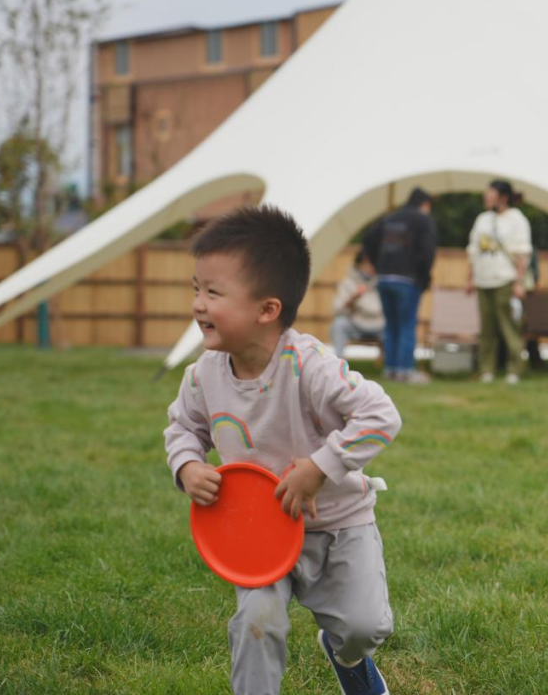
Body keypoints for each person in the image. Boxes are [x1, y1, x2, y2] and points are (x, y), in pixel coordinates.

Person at [164, 205, 401, 695]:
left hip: (338, 523)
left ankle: (349, 657)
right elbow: (182, 427)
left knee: (364, 627)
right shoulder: (203, 376)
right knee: (257, 623)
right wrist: (187, 464)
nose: (198, 304)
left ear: (266, 309)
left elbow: (382, 416)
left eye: (213, 292)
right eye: (195, 288)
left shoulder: (310, 366)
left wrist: (320, 467)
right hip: (259, 529)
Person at [363, 187, 438, 384]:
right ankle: (405, 370)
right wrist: (424, 277)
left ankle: (391, 369)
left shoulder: (390, 218)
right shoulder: (422, 220)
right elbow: (428, 251)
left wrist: (376, 263)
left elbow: (368, 238)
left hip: (384, 277)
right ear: (425, 204)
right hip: (407, 280)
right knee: (406, 324)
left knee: (391, 325)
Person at [466, 179, 533, 384]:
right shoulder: (482, 219)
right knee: (487, 328)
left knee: (508, 326)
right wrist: (470, 278)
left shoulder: (517, 219)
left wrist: (519, 283)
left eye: (491, 193)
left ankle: (515, 369)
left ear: (503, 197)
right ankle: (487, 369)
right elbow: (474, 250)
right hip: (483, 279)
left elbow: (522, 253)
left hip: (505, 279)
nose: (486, 197)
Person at [330, 251, 384, 359]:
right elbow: (337, 309)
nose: (370, 267)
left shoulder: (382, 282)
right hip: (356, 324)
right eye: (367, 263)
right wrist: (352, 300)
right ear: (359, 265)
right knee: (338, 325)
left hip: (380, 325)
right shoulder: (348, 283)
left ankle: (392, 366)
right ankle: (338, 361)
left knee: (395, 327)